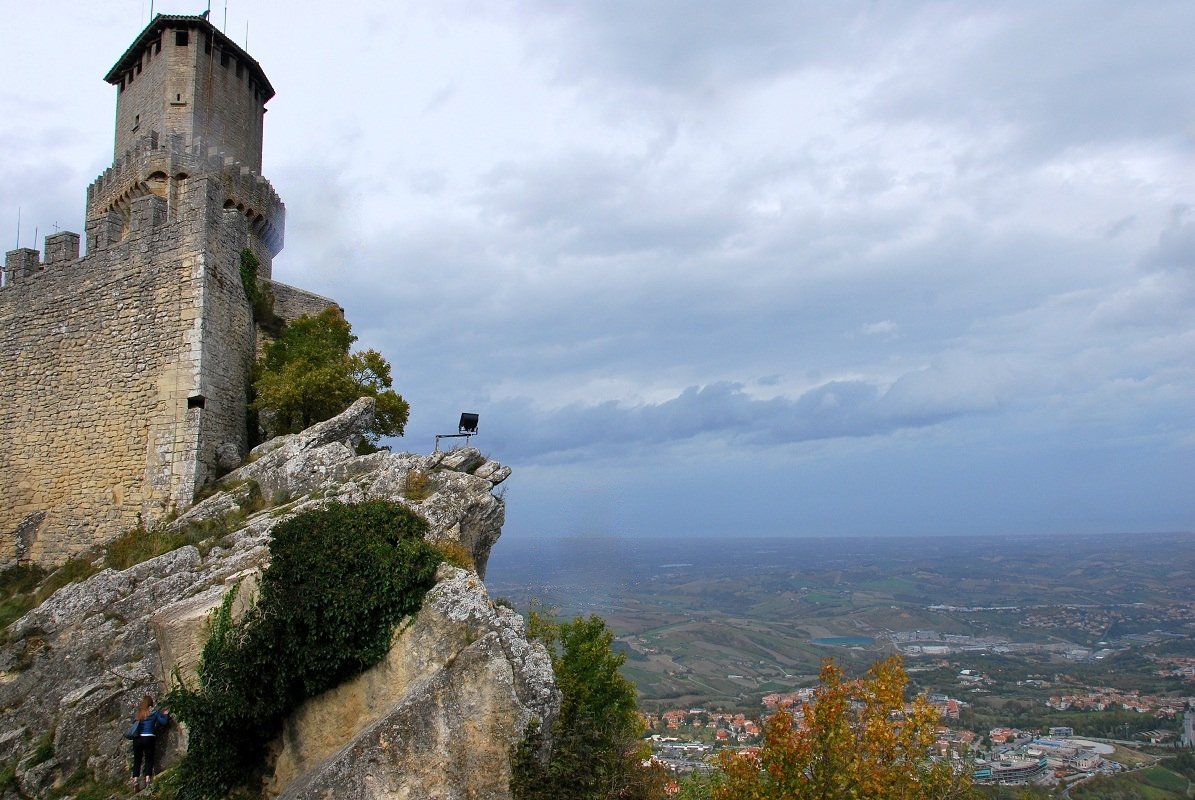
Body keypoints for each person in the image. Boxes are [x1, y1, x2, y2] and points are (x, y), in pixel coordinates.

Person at [129, 694, 170, 791]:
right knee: (149, 758)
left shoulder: (138, 713)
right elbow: (163, 722)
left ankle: (135, 780)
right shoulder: (154, 712)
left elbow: (133, 724)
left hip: (137, 739)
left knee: (137, 760)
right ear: (151, 703)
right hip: (148, 737)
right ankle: (148, 780)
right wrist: (166, 714)